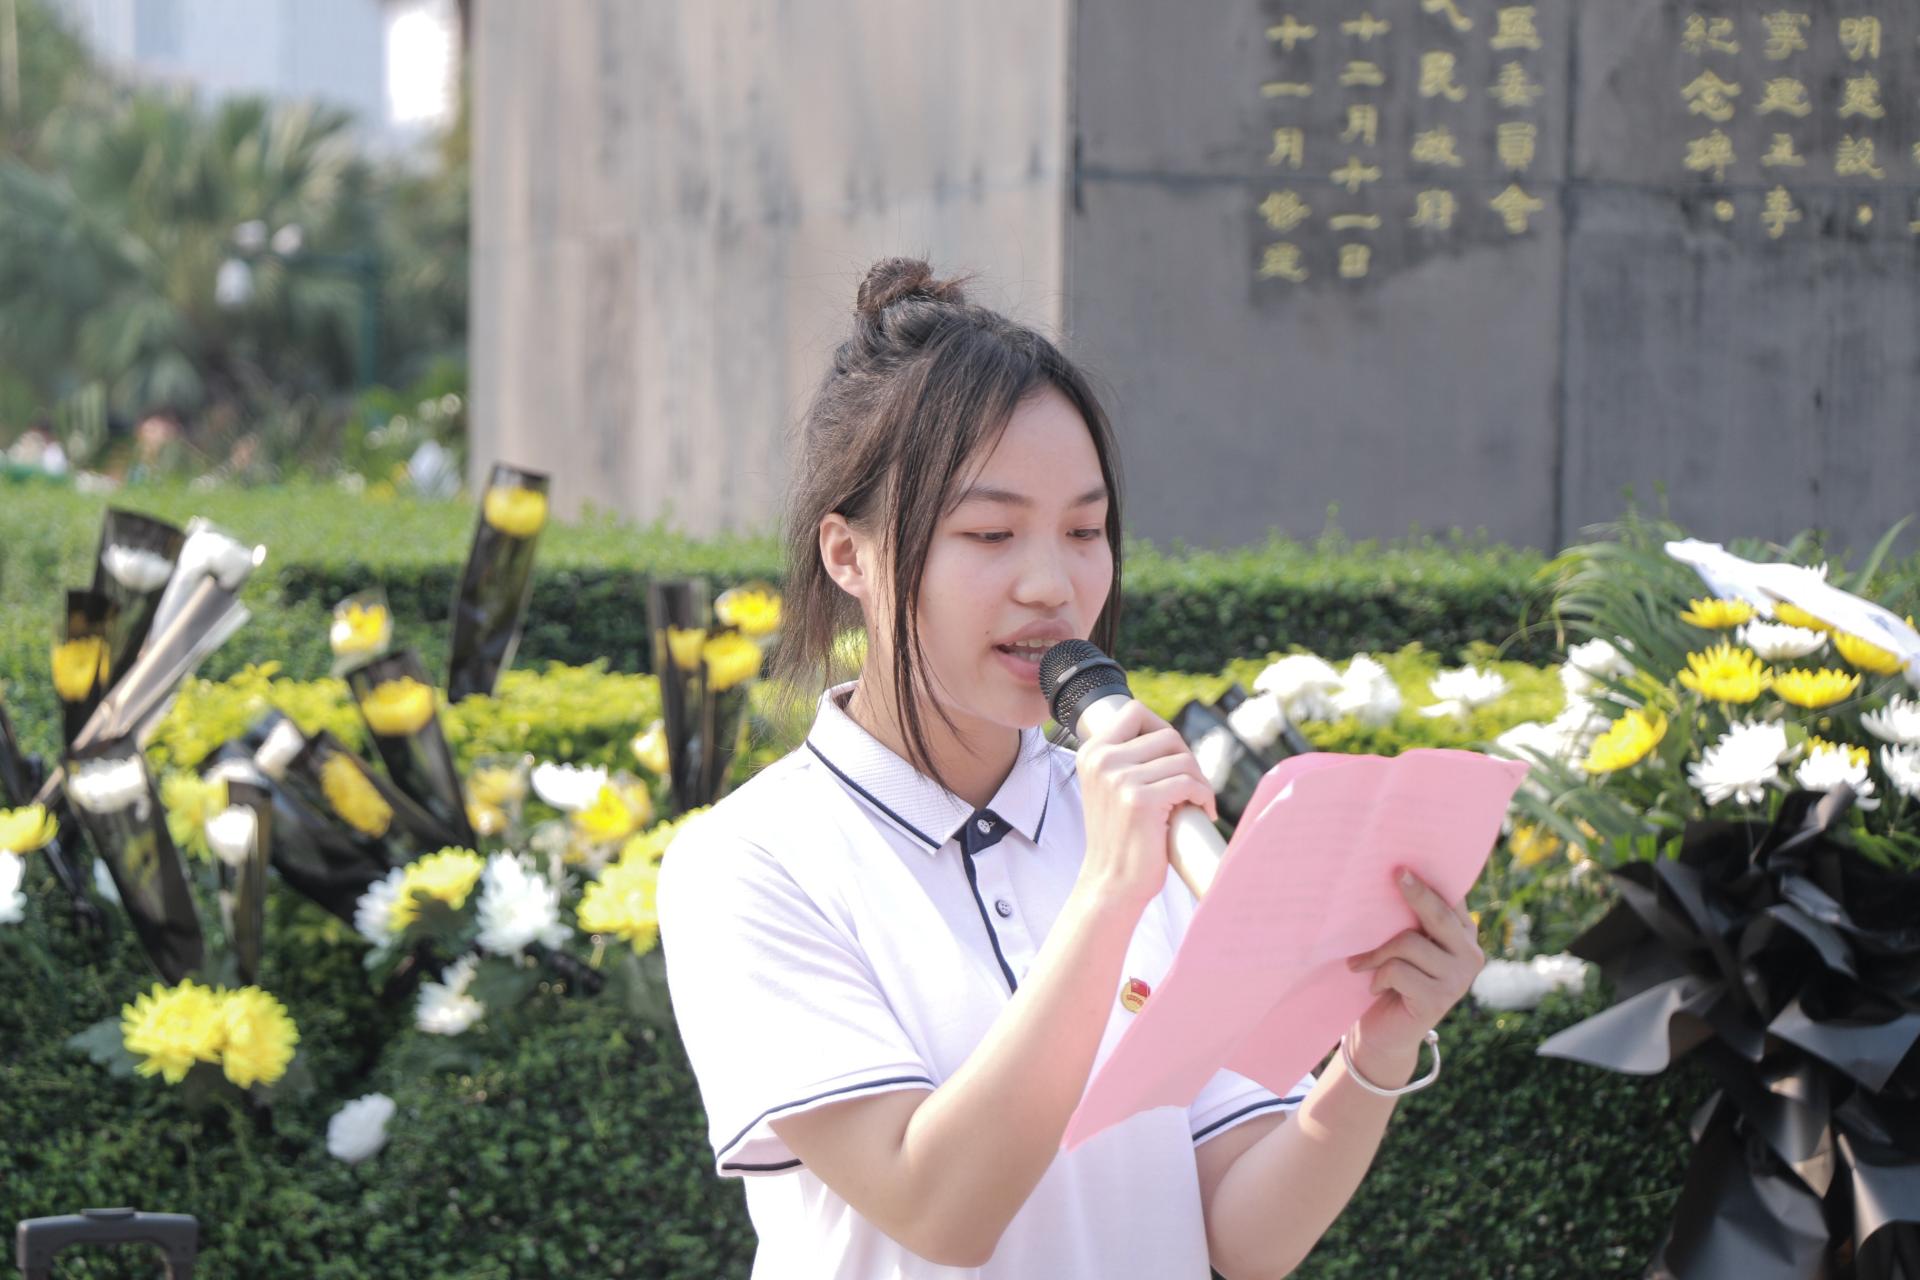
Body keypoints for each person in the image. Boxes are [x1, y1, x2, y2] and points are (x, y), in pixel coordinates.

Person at [656, 258, 1485, 1279]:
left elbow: (1245, 1234)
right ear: (848, 555)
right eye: (990, 532)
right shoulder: (751, 861)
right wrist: (1107, 894)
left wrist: (1376, 1048)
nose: (1052, 583)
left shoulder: (1133, 825)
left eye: (1085, 530)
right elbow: (937, 1207)